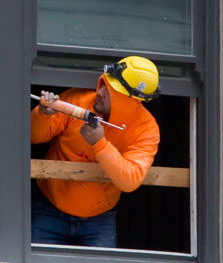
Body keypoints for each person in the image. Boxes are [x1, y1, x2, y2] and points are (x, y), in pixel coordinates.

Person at [31, 56, 160, 248]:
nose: (99, 92)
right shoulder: (78, 100)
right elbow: (33, 137)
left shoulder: (146, 129)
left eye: (111, 91)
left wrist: (99, 144)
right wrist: (42, 115)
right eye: (104, 83)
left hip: (99, 219)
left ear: (131, 101)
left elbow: (130, 180)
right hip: (48, 208)